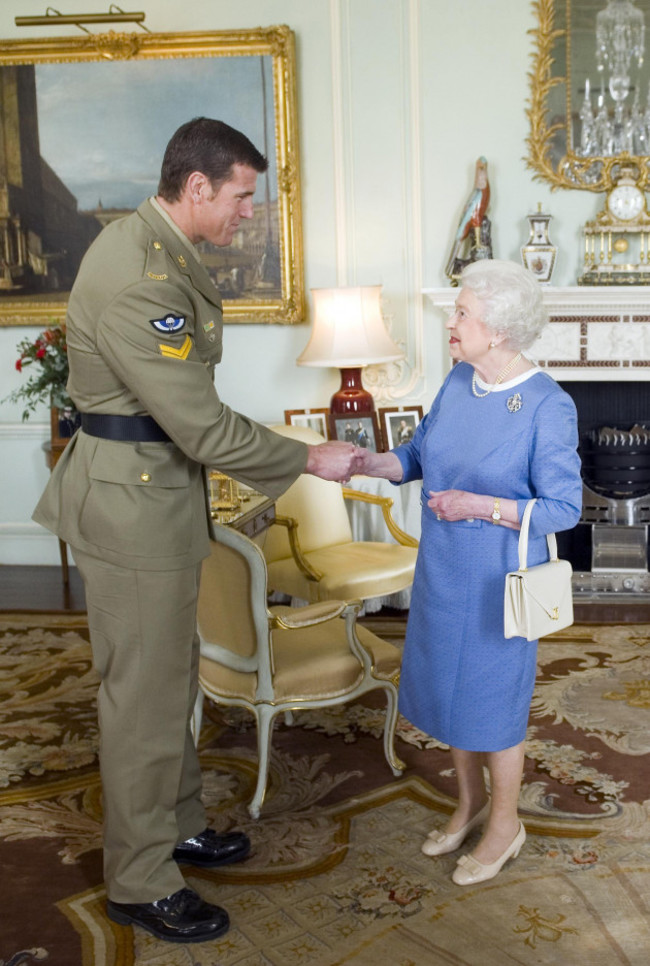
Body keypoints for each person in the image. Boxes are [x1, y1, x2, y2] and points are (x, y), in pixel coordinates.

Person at [33, 117, 360, 944]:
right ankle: (139, 879)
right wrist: (306, 459)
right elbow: (201, 426)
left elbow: (186, 417)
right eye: (244, 196)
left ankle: (174, 827)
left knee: (169, 682)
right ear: (199, 186)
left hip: (153, 497)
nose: (249, 212)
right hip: (133, 506)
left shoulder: (160, 248)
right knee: (143, 701)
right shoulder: (142, 275)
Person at [356, 259, 582, 886]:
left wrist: (482, 506)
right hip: (444, 573)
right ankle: (469, 802)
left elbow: (566, 506)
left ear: (500, 330)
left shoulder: (546, 404)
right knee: (451, 699)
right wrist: (368, 462)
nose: (450, 324)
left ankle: (506, 824)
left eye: (461, 315)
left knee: (493, 707)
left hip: (498, 583)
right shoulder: (459, 380)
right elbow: (419, 453)